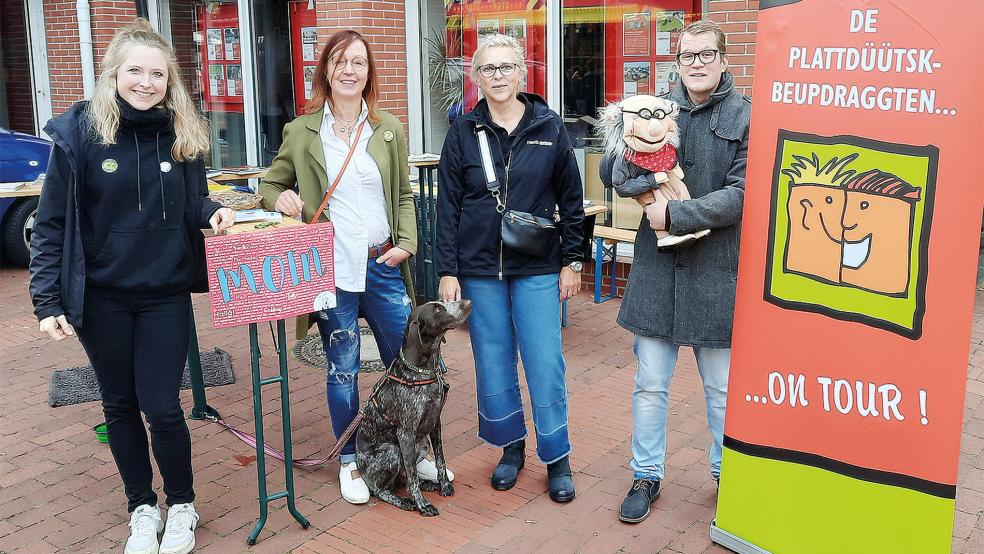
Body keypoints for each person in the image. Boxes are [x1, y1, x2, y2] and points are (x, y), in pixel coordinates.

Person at [29, 19, 235, 554]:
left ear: (171, 81)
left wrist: (213, 213)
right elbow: (51, 224)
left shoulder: (182, 133)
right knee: (118, 405)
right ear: (113, 73)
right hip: (102, 298)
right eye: (135, 72)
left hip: (164, 292)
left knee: (162, 405)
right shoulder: (81, 136)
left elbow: (192, 202)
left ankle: (183, 505)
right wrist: (46, 299)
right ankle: (142, 507)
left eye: (157, 74)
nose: (146, 83)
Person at [259, 30, 450, 505]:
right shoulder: (302, 132)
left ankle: (417, 449)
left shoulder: (387, 128)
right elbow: (269, 182)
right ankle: (352, 460)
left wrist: (407, 242)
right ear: (325, 69)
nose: (349, 70)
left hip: (383, 265)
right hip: (331, 272)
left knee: (407, 365)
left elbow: (404, 195)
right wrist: (279, 197)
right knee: (343, 368)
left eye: (359, 63)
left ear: (369, 72)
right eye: (341, 62)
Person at [601, 20, 751, 524]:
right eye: (689, 55)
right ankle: (646, 474)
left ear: (724, 59)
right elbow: (612, 171)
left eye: (707, 54)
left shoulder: (746, 117)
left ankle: (727, 476)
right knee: (649, 384)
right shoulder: (653, 109)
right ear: (678, 61)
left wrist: (678, 215)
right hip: (658, 274)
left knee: (723, 389)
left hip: (717, 273)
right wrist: (622, 154)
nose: (698, 63)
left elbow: (743, 193)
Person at [437, 33, 585, 503]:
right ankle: (510, 447)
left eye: (506, 67)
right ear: (476, 77)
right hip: (479, 269)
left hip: (538, 266)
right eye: (488, 69)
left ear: (523, 73)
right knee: (493, 362)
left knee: (545, 361)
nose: (497, 76)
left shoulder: (549, 126)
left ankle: (557, 456)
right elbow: (448, 207)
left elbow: (571, 200)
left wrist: (573, 259)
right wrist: (447, 270)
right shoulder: (463, 131)